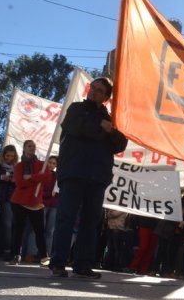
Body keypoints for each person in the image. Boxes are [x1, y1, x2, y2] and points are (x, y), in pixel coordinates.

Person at [50, 77, 128, 278]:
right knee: (66, 218)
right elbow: (78, 128)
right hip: (74, 173)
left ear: (106, 97)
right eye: (93, 87)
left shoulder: (111, 119)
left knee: (90, 222)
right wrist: (103, 129)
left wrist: (109, 129)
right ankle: (58, 262)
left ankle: (82, 264)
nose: (94, 91)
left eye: (99, 90)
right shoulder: (76, 109)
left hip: (97, 177)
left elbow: (120, 144)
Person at [8, 140, 52, 265]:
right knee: (18, 229)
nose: (32, 148)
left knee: (39, 230)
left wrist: (31, 177)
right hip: (19, 201)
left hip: (36, 202)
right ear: (24, 148)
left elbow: (48, 178)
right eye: (29, 146)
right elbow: (20, 183)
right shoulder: (19, 166)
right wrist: (38, 177)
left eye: (33, 146)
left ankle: (44, 257)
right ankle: (15, 255)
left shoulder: (42, 164)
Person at [41, 156, 59, 256]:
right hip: (43, 203)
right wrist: (49, 194)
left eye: (53, 163)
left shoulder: (57, 176)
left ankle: (47, 253)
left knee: (50, 230)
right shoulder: (42, 174)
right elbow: (40, 189)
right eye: (50, 162)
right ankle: (34, 253)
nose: (51, 165)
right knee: (40, 229)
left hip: (54, 205)